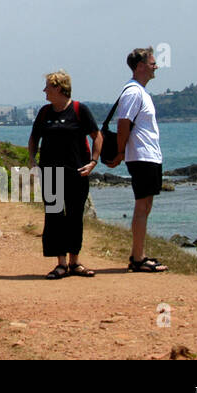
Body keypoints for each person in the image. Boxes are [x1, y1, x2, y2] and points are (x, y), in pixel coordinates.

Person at [27, 70, 102, 278]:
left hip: (77, 174)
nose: (44, 91)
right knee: (54, 217)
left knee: (75, 217)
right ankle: (60, 264)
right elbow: (34, 139)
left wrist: (94, 162)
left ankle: (75, 262)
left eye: (48, 87)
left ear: (58, 88)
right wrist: (32, 160)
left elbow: (97, 137)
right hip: (51, 174)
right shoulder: (44, 113)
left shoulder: (79, 110)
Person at [107, 47, 166, 272]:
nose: (156, 67)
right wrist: (121, 152)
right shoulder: (133, 92)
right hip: (141, 156)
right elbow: (123, 124)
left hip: (148, 156)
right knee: (142, 206)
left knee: (146, 205)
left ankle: (138, 254)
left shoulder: (141, 92)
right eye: (152, 63)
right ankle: (138, 258)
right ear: (140, 66)